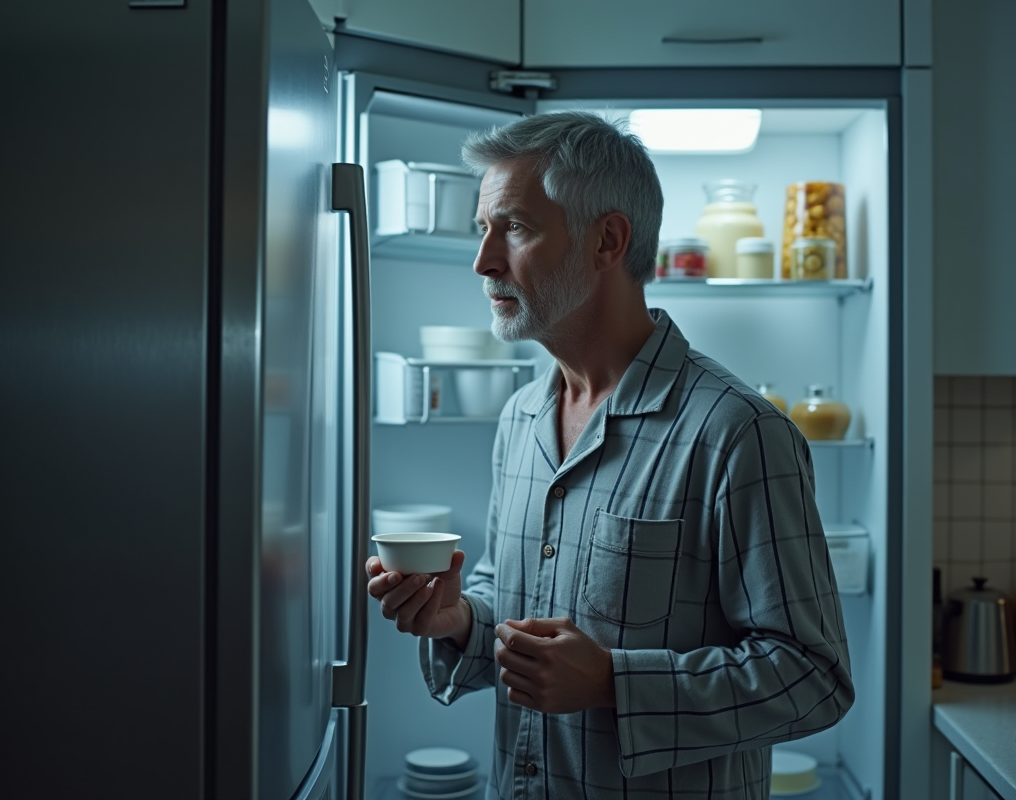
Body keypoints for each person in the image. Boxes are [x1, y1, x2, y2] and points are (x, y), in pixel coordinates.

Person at [365, 111, 854, 800]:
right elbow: (512, 611)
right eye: (483, 231)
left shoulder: (735, 432)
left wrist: (613, 684)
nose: (485, 262)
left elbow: (814, 677)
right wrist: (458, 621)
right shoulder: (521, 419)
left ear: (608, 241)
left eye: (517, 228)